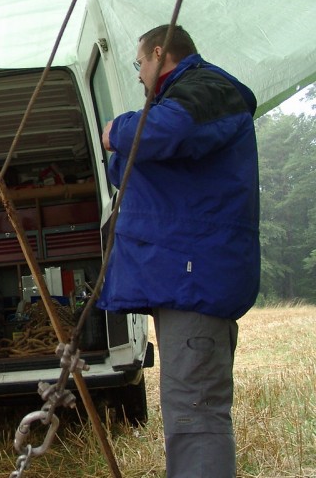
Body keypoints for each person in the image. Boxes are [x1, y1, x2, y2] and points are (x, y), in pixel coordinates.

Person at [99, 25, 260, 477]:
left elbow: (163, 132)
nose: (138, 76)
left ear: (157, 53)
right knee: (187, 409)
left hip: (197, 281)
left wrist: (117, 130)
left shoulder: (209, 90)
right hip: (184, 281)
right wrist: (129, 145)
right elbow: (124, 169)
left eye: (139, 65)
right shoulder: (186, 101)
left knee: (196, 414)